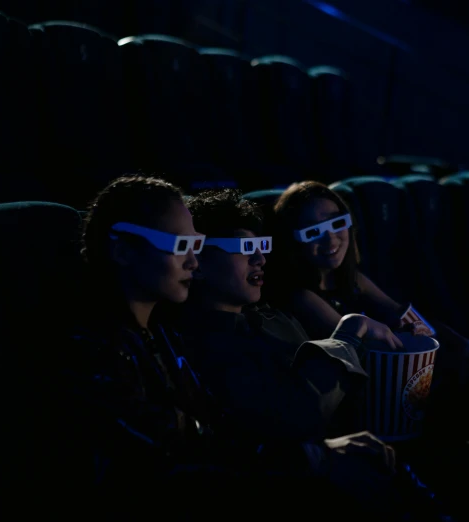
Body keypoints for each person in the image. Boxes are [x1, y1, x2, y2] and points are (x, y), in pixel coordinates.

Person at [182, 188, 469, 522]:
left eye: (261, 245)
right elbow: (302, 410)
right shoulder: (215, 341)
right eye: (243, 247)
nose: (259, 258)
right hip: (364, 456)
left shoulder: (269, 315)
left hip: (389, 434)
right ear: (197, 260)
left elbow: (400, 319)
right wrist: (354, 331)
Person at [55, 175, 425, 520]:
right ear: (122, 251)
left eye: (197, 245)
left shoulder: (156, 334)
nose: (194, 260)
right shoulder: (93, 348)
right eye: (182, 245)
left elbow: (211, 438)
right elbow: (168, 463)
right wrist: (314, 459)